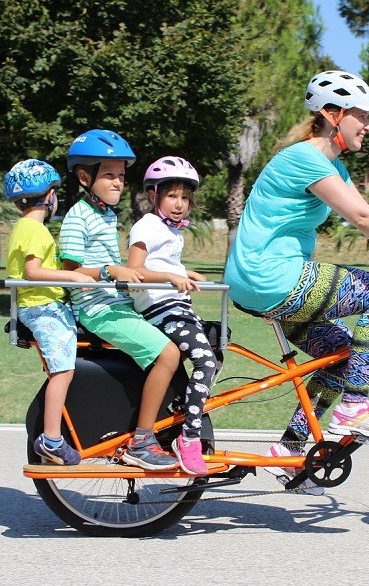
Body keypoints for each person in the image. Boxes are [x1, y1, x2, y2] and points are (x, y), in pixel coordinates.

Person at [224, 70, 369, 492]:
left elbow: (360, 211)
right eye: (361, 117)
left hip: (264, 278)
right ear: (332, 114)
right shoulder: (305, 158)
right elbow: (365, 218)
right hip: (272, 276)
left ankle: (290, 451)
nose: (368, 126)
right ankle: (353, 407)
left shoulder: (331, 167)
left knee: (342, 355)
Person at [58, 129, 181, 471]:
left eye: (122, 176)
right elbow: (72, 271)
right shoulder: (77, 216)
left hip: (117, 304)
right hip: (97, 309)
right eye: (109, 175)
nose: (117, 183)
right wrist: (111, 270)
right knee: (167, 353)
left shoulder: (106, 216)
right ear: (85, 177)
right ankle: (142, 440)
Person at [127, 156, 216, 476]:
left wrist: (185, 273)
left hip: (175, 305)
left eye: (185, 198)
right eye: (172, 196)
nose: (179, 204)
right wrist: (170, 278)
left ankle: (182, 410)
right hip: (159, 307)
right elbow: (135, 269)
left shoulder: (171, 231)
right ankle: (188, 438)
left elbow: (164, 263)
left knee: (215, 354)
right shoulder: (146, 225)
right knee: (205, 360)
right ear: (154, 196)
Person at [4, 159, 96, 466]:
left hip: (39, 305)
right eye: (55, 191)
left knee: (63, 368)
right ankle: (52, 439)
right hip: (42, 307)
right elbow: (33, 271)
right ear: (48, 195)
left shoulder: (22, 227)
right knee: (62, 371)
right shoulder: (36, 229)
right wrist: (74, 277)